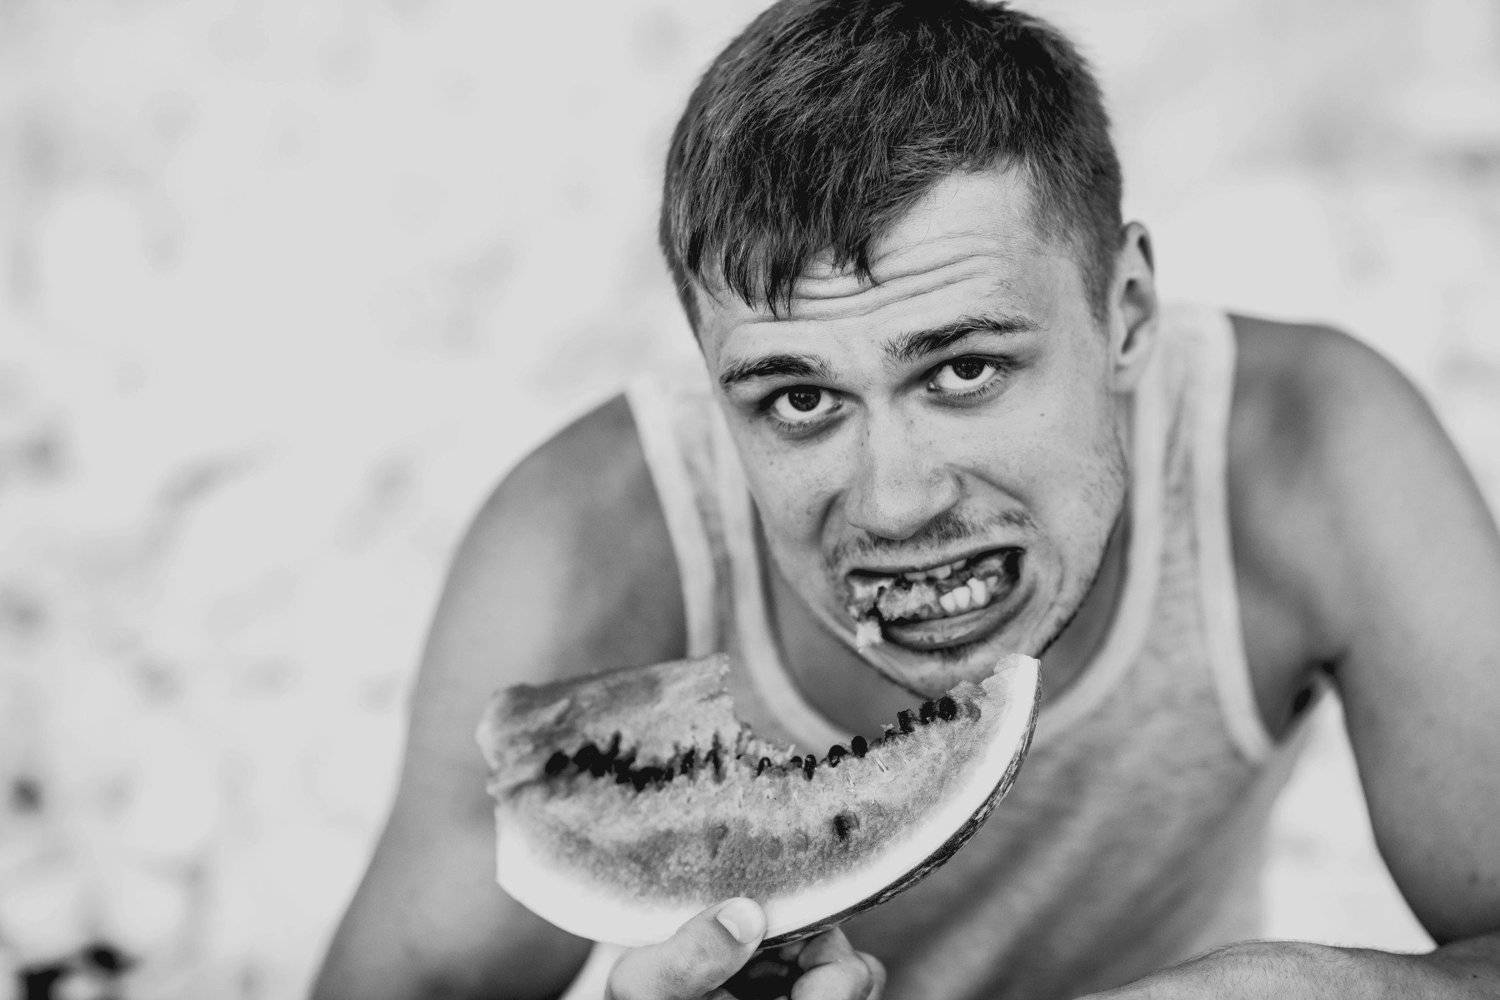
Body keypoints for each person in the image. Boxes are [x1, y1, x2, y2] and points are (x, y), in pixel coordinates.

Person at [311, 1, 1500, 997]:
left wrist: (1308, 987)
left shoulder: (1308, 454)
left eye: (964, 370)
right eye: (797, 398)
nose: (893, 502)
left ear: (1128, 311)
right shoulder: (584, 549)